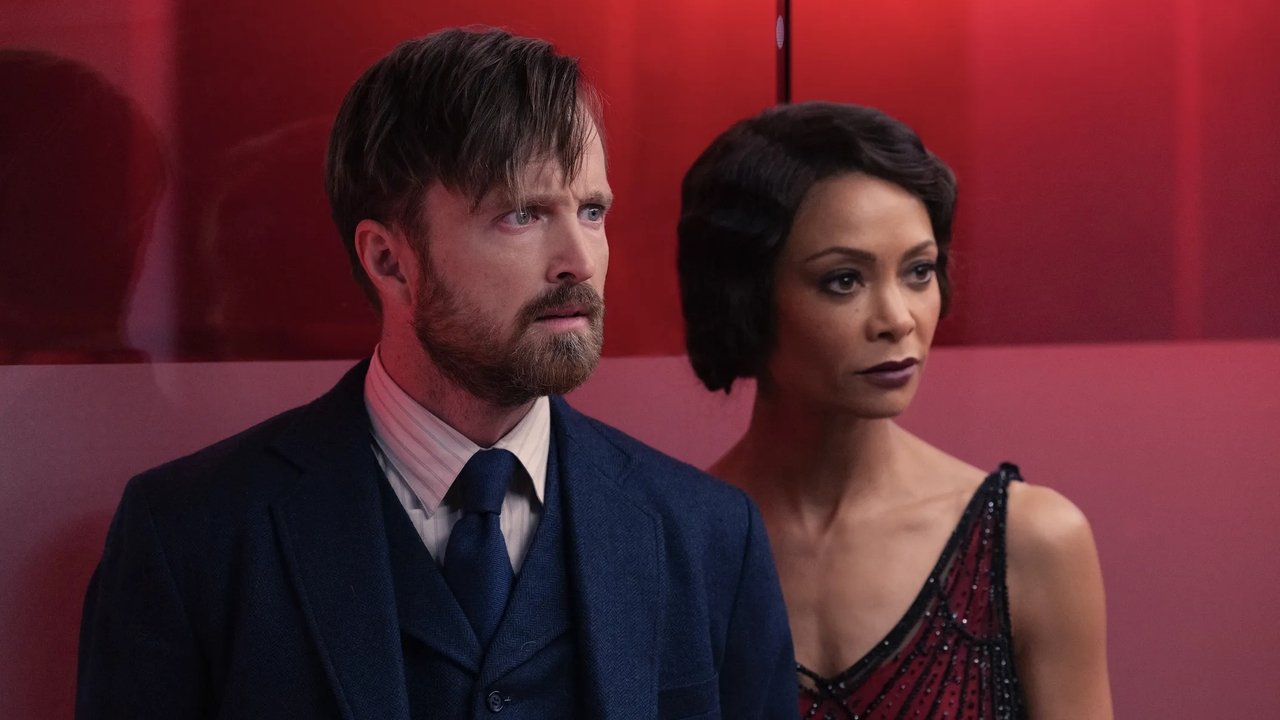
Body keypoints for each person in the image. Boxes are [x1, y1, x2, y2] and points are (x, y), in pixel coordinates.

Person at [76, 28, 794, 719]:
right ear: (390, 260)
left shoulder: (710, 537)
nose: (579, 260)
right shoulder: (190, 538)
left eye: (591, 210)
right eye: (522, 214)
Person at [677, 102, 1112, 719]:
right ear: (743, 296)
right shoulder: (670, 548)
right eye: (843, 280)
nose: (897, 319)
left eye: (918, 271)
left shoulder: (1031, 542)